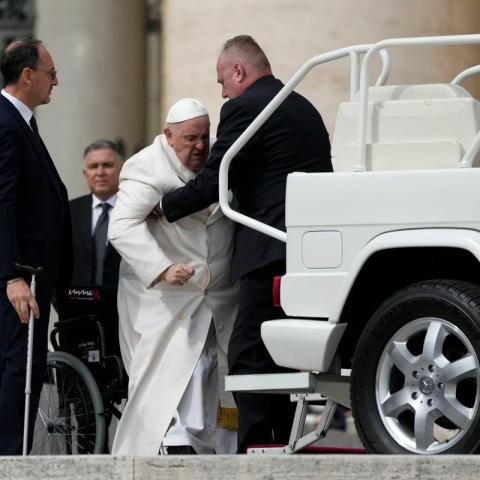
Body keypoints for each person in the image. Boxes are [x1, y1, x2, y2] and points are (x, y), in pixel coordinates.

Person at [160, 35, 333, 452]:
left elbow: (214, 181)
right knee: (287, 358)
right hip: (307, 252)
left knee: (248, 356)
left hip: (267, 253)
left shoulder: (244, 108)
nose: (221, 92)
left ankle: (253, 454)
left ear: (239, 71)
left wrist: (163, 207)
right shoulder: (302, 106)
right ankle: (287, 447)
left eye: (222, 80)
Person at [109, 98, 239, 455]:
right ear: (168, 135)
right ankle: (176, 447)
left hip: (218, 295)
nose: (199, 146)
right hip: (166, 299)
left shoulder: (219, 157)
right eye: (190, 138)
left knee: (216, 375)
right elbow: (121, 228)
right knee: (175, 377)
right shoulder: (146, 167)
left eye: (204, 136)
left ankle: (215, 452)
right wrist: (163, 268)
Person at [0, 37, 71, 455]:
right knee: (18, 369)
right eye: (51, 73)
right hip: (19, 279)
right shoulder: (6, 123)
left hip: (32, 275)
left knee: (24, 369)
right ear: (28, 75)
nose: (55, 82)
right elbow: (2, 201)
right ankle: (9, 461)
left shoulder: (20, 121)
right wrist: (9, 275)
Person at [69, 139, 122, 286]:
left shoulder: (137, 210)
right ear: (85, 174)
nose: (100, 172)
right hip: (77, 305)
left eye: (107, 165)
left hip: (125, 305)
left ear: (121, 170)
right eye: (93, 166)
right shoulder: (68, 211)